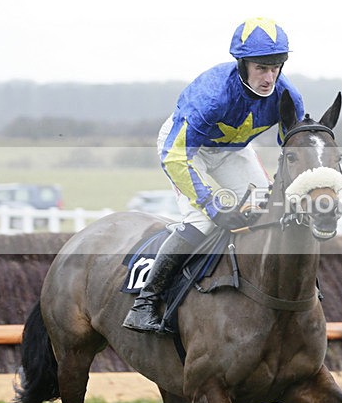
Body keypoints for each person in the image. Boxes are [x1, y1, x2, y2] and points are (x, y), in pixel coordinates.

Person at [123, 17, 305, 333]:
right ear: (242, 64)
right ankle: (145, 303)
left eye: (276, 66)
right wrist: (213, 206)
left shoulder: (287, 95)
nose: (269, 77)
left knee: (268, 211)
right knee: (205, 221)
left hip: (233, 151)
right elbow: (176, 156)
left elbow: (293, 151)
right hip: (186, 150)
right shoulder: (212, 95)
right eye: (261, 67)